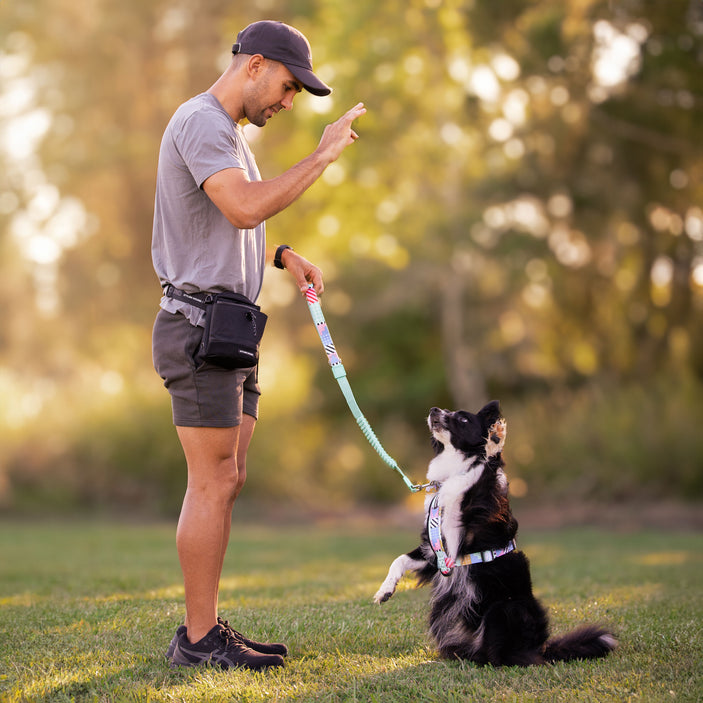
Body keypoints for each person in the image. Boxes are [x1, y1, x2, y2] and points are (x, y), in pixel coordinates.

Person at [151, 20, 366, 670]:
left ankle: (206, 625)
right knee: (211, 479)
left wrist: (280, 254)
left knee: (229, 476)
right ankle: (196, 639)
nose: (288, 100)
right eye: (288, 85)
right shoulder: (202, 122)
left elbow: (220, 223)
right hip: (199, 329)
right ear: (256, 65)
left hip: (233, 327)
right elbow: (242, 207)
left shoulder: (232, 137)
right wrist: (323, 156)